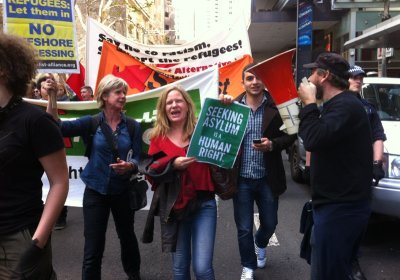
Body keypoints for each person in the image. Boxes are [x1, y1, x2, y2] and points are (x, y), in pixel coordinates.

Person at [46, 74, 142, 280]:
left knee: (127, 238)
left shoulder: (133, 126)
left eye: (124, 92)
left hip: (122, 191)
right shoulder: (92, 123)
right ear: (105, 96)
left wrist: (130, 166)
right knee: (93, 246)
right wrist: (52, 97)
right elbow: (56, 126)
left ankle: (134, 274)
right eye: (118, 92)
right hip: (95, 192)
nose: (123, 96)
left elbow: (139, 159)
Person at [142, 86, 232, 280]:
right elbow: (151, 172)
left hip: (204, 204)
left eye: (178, 101)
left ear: (187, 105)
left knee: (202, 268)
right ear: (163, 109)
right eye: (169, 102)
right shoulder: (158, 138)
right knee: (180, 268)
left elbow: (229, 149)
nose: (174, 105)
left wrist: (227, 107)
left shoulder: (203, 129)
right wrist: (173, 164)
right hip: (176, 207)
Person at [298, 52, 373, 280]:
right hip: (334, 205)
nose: (309, 79)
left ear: (324, 76)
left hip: (341, 209)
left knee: (330, 274)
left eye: (312, 73)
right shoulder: (337, 105)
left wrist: (309, 103)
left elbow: (313, 139)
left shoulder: (346, 106)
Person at [0, 33, 69, 279]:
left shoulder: (35, 121)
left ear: (3, 70)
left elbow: (60, 181)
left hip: (20, 238)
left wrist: (38, 241)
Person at [232, 63, 296, 280]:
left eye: (258, 78)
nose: (255, 82)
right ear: (243, 83)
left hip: (268, 178)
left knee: (270, 223)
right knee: (243, 228)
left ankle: (261, 243)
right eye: (249, 78)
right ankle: (248, 266)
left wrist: (273, 145)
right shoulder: (232, 107)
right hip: (241, 179)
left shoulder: (277, 105)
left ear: (264, 81)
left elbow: (291, 135)